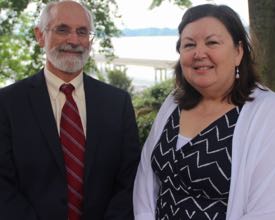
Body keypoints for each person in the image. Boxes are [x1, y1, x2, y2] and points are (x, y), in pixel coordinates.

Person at [0, 1, 140, 219]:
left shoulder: (117, 103)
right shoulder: (7, 103)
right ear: (40, 36)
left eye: (82, 32)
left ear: (90, 41)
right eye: (62, 29)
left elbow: (130, 178)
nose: (74, 40)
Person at [133, 4, 275, 220]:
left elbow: (266, 210)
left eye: (212, 42)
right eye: (189, 45)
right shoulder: (173, 103)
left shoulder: (266, 111)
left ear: (238, 52)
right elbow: (145, 178)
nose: (199, 53)